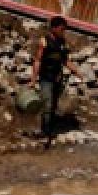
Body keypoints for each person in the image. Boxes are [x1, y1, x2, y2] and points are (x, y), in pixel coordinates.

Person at [31, 16, 82, 146]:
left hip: (57, 78)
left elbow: (65, 60)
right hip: (46, 78)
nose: (62, 31)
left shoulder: (61, 42)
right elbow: (38, 60)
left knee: (53, 105)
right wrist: (33, 80)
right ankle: (45, 133)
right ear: (53, 28)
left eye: (64, 29)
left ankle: (48, 128)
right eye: (61, 29)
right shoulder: (45, 42)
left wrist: (76, 71)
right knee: (47, 104)